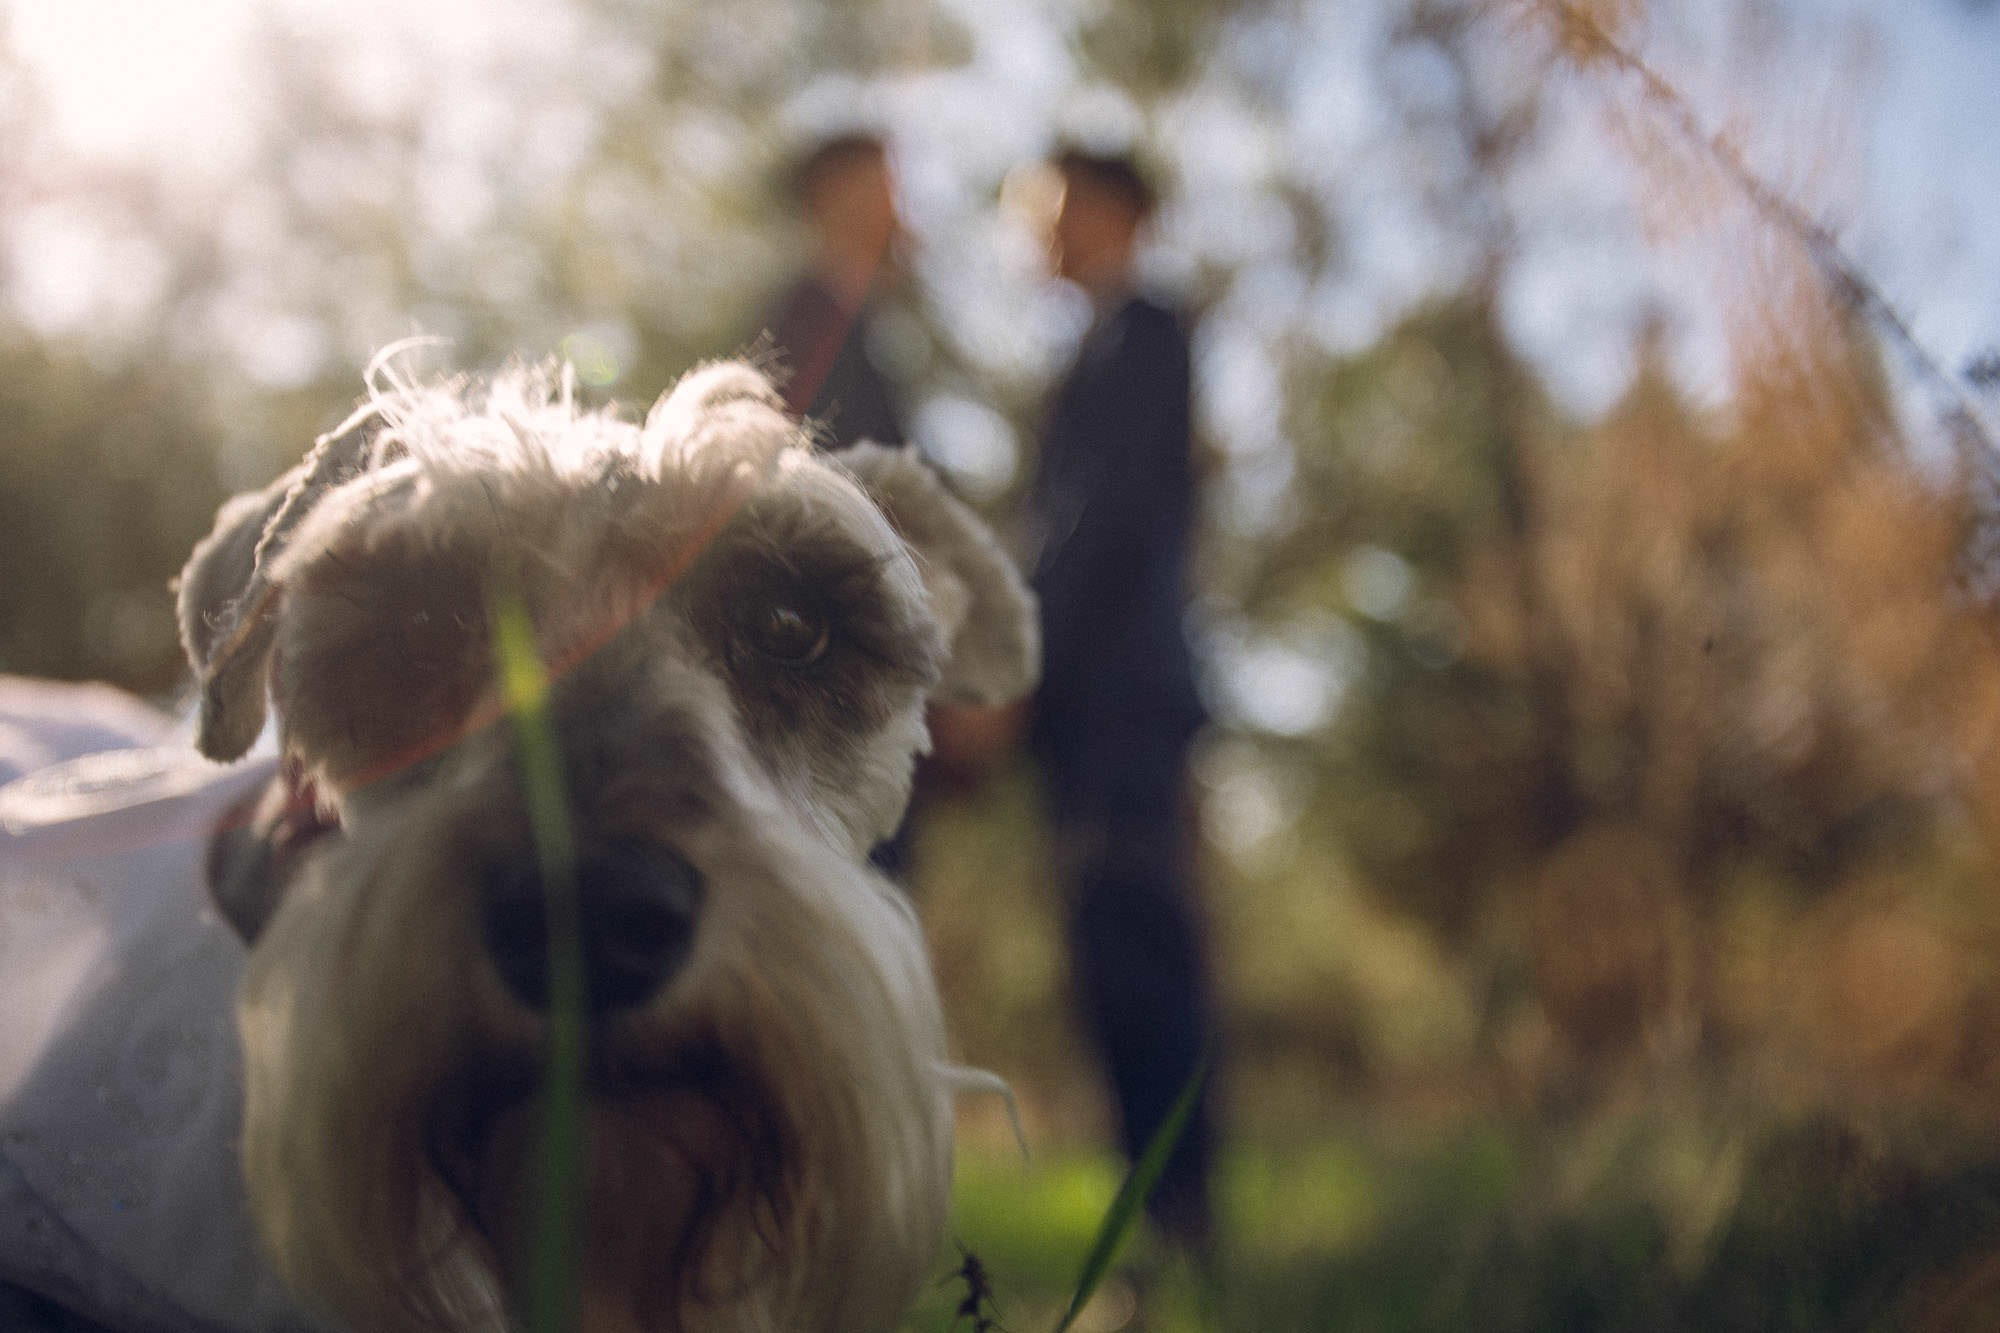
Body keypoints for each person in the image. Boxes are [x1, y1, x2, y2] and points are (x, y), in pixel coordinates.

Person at [1022, 145, 1217, 1249]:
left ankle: (1174, 1223)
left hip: (1123, 705)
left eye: (1052, 210)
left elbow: (1102, 525)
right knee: (1108, 963)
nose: (1038, 233)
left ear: (1108, 211)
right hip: (1084, 713)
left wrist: (1016, 656)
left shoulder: (1145, 332)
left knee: (1143, 958)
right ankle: (1156, 1221)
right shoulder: (1090, 348)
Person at [756, 130, 908, 450]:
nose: (895, 209)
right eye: (881, 187)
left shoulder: (867, 319)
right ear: (832, 194)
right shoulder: (809, 318)